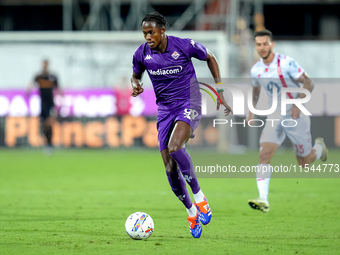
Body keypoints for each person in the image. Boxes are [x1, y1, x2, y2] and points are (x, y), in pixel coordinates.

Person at [131, 12, 232, 238]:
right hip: (165, 109)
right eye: (145, 33)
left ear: (162, 31)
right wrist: (136, 84)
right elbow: (135, 75)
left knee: (176, 147)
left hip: (190, 101)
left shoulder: (183, 46)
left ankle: (200, 198)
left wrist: (220, 89)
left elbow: (210, 56)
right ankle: (191, 212)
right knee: (168, 165)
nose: (147, 37)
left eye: (151, 32)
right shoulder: (141, 54)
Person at [247, 29, 328, 213]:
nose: (262, 47)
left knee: (304, 162)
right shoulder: (256, 70)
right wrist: (251, 111)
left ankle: (319, 148)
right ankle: (263, 199)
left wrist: (297, 105)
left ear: (272, 44)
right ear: (256, 46)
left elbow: (309, 83)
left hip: (295, 115)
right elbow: (256, 90)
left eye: (265, 43)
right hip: (274, 114)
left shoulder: (286, 63)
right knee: (264, 155)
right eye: (258, 44)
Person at [27, 59, 61, 154]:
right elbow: (31, 84)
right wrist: (28, 90)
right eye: (43, 65)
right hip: (42, 104)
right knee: (44, 125)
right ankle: (47, 144)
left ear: (48, 65)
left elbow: (58, 89)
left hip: (51, 104)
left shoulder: (53, 77)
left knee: (49, 123)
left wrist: (61, 100)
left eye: (46, 64)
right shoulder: (39, 77)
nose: (45, 66)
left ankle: (50, 144)